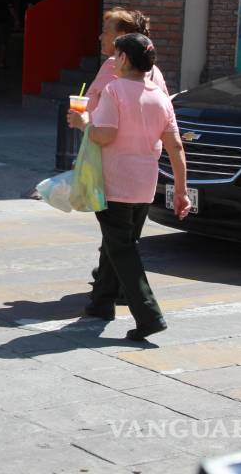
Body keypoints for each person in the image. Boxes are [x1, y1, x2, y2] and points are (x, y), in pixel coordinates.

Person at [68, 33, 190, 341]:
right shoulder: (160, 96)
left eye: (116, 55)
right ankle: (101, 303)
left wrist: (84, 124)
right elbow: (175, 145)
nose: (113, 60)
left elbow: (105, 135)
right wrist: (180, 189)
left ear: (123, 59)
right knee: (118, 243)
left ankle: (149, 315)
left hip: (115, 183)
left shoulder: (115, 90)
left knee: (122, 248)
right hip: (144, 185)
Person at [71, 8, 168, 303]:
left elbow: (95, 109)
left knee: (117, 231)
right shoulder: (153, 71)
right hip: (145, 163)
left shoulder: (114, 67)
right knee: (124, 232)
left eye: (107, 30)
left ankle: (132, 298)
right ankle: (108, 285)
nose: (101, 35)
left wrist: (82, 121)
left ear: (123, 39)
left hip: (115, 159)